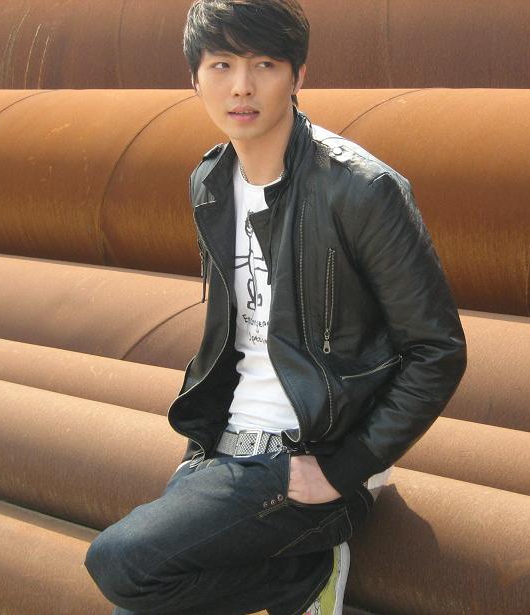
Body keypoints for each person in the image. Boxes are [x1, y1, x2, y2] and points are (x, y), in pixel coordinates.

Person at [84, 1, 467, 613]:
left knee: (120, 562)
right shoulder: (210, 183)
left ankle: (301, 578)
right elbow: (237, 336)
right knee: (138, 599)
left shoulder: (360, 189)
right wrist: (199, 453)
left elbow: (436, 350)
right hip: (227, 450)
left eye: (264, 64)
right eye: (221, 65)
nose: (242, 86)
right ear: (195, 79)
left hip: (315, 457)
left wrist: (344, 469)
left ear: (298, 76)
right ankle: (297, 577)